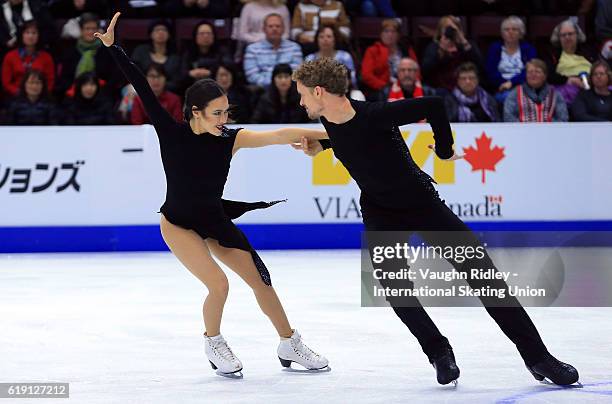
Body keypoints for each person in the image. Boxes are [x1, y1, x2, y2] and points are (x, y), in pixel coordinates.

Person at [290, 57, 579, 386]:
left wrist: (443, 151)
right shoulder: (330, 120)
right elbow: (347, 137)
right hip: (380, 212)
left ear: (318, 91)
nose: (299, 103)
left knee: (484, 277)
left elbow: (436, 105)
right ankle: (440, 353)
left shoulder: (376, 114)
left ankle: (539, 357)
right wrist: (321, 146)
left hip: (422, 204)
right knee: (397, 291)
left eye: (301, 95)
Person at [95, 12, 329, 376]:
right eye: (217, 112)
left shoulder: (231, 139)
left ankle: (289, 343)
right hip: (178, 224)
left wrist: (335, 130)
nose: (224, 118)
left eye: (226, 111)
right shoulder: (171, 133)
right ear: (195, 113)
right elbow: (140, 84)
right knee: (218, 285)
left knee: (260, 279)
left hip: (214, 220)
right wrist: (115, 48)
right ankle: (213, 341)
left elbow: (280, 134)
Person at [421, 15, 486, 93]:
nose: (450, 31)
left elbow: (480, 66)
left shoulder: (467, 45)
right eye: (446, 28)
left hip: (465, 85)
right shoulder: (434, 46)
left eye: (453, 28)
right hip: (441, 88)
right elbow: (426, 70)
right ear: (441, 31)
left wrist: (464, 42)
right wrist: (441, 51)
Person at [360, 18, 418, 100]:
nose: (390, 35)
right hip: (382, 89)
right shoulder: (372, 50)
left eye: (393, 32)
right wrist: (385, 86)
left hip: (406, 87)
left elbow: (416, 70)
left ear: (398, 35)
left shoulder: (406, 49)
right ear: (381, 34)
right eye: (386, 31)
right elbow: (366, 75)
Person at [485, 16, 536, 103]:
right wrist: (504, 84)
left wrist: (512, 83)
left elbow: (530, 71)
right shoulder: (495, 48)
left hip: (523, 87)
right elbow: (490, 70)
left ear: (521, 33)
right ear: (502, 33)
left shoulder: (528, 49)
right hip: (500, 88)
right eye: (506, 29)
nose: (510, 32)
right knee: (508, 97)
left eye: (514, 29)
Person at [243, 13, 302, 87]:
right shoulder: (252, 49)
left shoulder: (294, 48)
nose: (274, 29)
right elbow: (251, 76)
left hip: (289, 90)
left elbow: (297, 73)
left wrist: (281, 83)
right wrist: (275, 84)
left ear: (283, 29)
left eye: (278, 26)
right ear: (263, 29)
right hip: (263, 91)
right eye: (270, 26)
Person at [545, 19, 595, 105]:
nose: (567, 37)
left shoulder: (589, 51)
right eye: (563, 35)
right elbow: (548, 74)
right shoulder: (552, 54)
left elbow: (600, 67)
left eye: (570, 34)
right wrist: (569, 80)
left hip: (591, 85)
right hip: (565, 90)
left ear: (577, 35)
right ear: (558, 38)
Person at [1, 20, 54, 97]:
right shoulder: (10, 56)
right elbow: (6, 83)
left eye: (34, 33)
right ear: (22, 35)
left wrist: (39, 94)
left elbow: (50, 81)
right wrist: (19, 93)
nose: (30, 36)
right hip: (15, 97)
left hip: (40, 96)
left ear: (39, 36)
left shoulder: (46, 57)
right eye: (27, 32)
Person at [504, 59, 568, 122]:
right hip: (523, 131)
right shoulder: (515, 93)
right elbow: (508, 117)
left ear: (545, 76)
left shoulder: (555, 94)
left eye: (537, 72)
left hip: (549, 131)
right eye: (530, 72)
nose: (533, 74)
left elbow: (563, 118)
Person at [131, 19, 181, 93]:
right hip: (141, 90)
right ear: (151, 34)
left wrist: (159, 87)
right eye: (157, 30)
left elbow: (177, 81)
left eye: (164, 30)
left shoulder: (175, 56)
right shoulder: (141, 51)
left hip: (168, 92)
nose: (161, 32)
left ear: (169, 34)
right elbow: (133, 73)